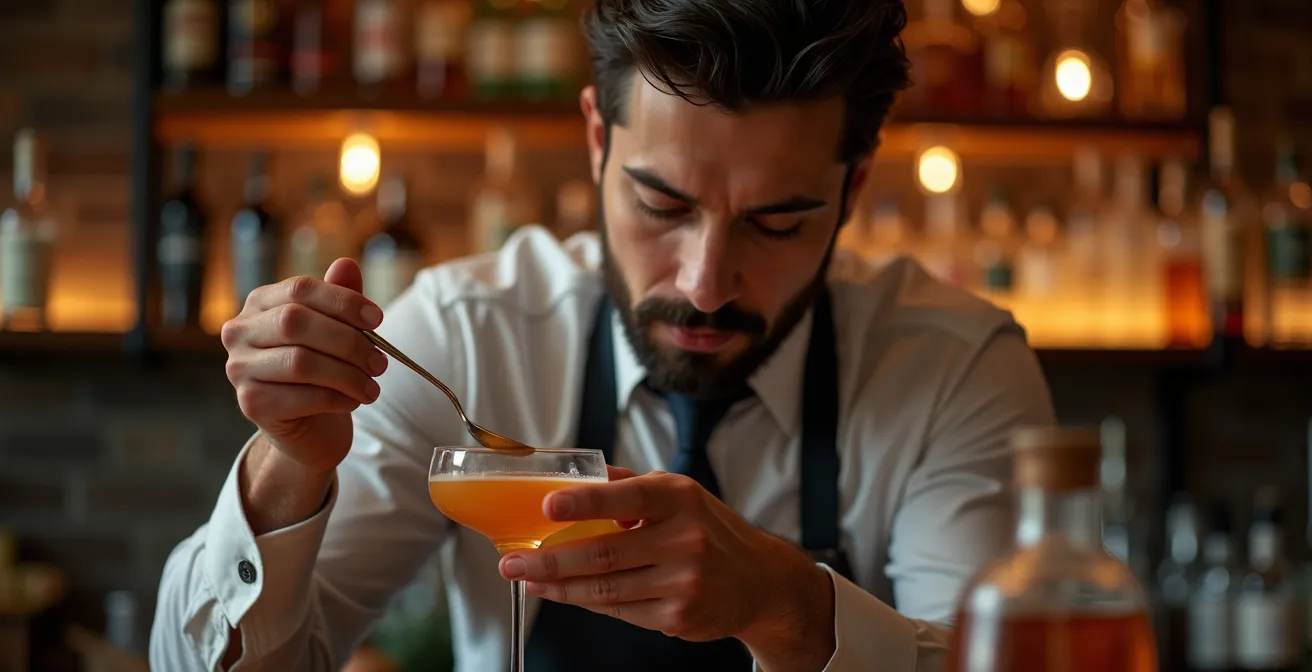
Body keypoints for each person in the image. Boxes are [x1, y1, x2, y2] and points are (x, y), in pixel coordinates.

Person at [150, 0, 1056, 670]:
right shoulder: (466, 335)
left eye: (777, 223)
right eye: (661, 204)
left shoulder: (953, 367)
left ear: (854, 189)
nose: (703, 284)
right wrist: (287, 464)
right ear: (596, 141)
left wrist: (787, 607)